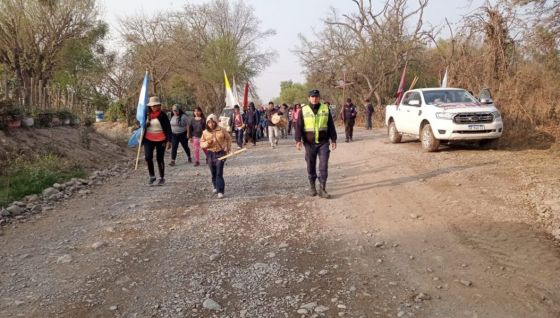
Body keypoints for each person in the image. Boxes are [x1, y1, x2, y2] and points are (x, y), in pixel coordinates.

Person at [295, 89, 337, 199]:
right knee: (310, 165)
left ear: (319, 98)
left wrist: (334, 139)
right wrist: (298, 140)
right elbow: (298, 126)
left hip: (323, 143)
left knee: (323, 165)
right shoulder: (303, 110)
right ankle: (312, 187)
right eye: (312, 97)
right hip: (309, 143)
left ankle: (322, 189)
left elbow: (331, 125)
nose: (314, 99)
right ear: (309, 98)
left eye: (316, 97)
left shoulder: (325, 108)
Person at [201, 114, 232, 199]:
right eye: (209, 123)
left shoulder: (222, 130)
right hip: (210, 153)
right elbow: (202, 143)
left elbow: (228, 138)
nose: (211, 124)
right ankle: (215, 186)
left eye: (212, 122)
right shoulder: (205, 132)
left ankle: (220, 191)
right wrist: (207, 143)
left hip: (221, 153)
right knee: (213, 172)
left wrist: (227, 147)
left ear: (215, 122)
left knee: (219, 172)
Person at [143, 96, 172, 185]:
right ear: (150, 106)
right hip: (148, 139)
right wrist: (145, 124)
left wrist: (169, 141)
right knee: (148, 157)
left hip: (161, 139)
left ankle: (161, 177)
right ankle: (152, 176)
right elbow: (140, 126)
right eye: (152, 106)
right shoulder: (146, 115)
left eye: (156, 105)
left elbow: (168, 128)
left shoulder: (163, 115)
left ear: (159, 105)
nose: (154, 107)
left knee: (160, 158)